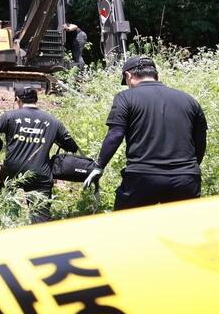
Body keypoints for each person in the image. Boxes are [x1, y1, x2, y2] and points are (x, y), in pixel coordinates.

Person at [85, 55, 208, 209]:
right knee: (181, 229)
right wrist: (190, 168)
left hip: (142, 177)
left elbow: (115, 135)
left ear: (128, 76)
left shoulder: (125, 98)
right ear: (157, 75)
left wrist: (99, 166)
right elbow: (200, 140)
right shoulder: (189, 100)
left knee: (127, 227)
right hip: (186, 179)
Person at [0, 85, 79, 223]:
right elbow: (71, 146)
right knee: (40, 219)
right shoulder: (53, 121)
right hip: (40, 173)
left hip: (12, 172)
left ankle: (10, 224)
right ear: (36, 99)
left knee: (7, 211)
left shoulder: (9, 116)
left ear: (17, 99)